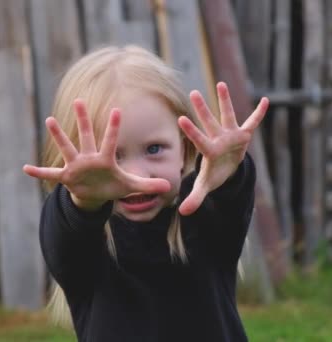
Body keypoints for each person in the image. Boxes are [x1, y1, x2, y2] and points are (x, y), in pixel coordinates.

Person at [23, 45, 268, 342]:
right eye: (112, 156)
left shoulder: (204, 222)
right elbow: (65, 233)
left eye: (154, 149)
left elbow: (229, 202)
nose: (137, 176)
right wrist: (85, 200)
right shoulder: (86, 249)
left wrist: (228, 173)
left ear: (184, 148)